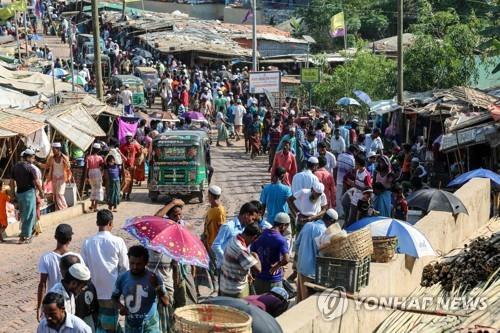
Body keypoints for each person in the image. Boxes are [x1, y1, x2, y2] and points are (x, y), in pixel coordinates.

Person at [80, 209, 129, 333]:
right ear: (110, 223)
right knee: (110, 325)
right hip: (112, 292)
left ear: (97, 223)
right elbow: (124, 268)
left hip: (93, 293)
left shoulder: (87, 242)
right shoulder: (118, 242)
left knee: (99, 324)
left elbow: (83, 269)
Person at [112, 245, 169, 333]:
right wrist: (120, 307)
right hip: (131, 327)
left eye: (138, 264)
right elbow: (114, 298)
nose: (134, 267)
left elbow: (166, 302)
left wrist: (157, 286)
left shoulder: (154, 278)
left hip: (151, 325)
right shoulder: (122, 278)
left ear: (146, 263)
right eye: (132, 263)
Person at [295, 208, 338, 302]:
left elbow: (297, 244)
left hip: (301, 267)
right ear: (331, 221)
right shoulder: (323, 232)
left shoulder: (307, 225)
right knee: (307, 301)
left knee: (300, 298)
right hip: (312, 272)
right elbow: (322, 253)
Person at [37, 224, 74, 321]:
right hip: (70, 303)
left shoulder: (46, 258)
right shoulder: (75, 258)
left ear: (55, 237)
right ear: (70, 239)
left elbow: (42, 284)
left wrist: (39, 307)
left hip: (52, 304)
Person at [250, 213, 290, 294]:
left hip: (259, 278)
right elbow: (286, 259)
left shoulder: (260, 234)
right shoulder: (281, 240)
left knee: (258, 304)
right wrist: (277, 266)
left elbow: (252, 252)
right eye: (286, 227)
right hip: (274, 280)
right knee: (274, 304)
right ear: (283, 226)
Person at [212, 202, 260, 269]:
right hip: (224, 268)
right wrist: (226, 260)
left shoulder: (245, 229)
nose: (252, 222)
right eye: (252, 219)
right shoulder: (229, 226)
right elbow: (215, 245)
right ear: (246, 215)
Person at [10, 148, 44, 244]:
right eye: (33, 158)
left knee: (25, 214)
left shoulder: (15, 167)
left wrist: (13, 194)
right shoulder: (30, 168)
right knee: (29, 215)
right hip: (28, 193)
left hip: (19, 193)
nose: (33, 160)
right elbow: (36, 182)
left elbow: (12, 182)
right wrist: (41, 192)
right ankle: (25, 236)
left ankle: (29, 232)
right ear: (28, 157)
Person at [219, 223, 262, 298]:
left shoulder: (234, 238)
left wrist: (248, 272)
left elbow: (238, 261)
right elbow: (258, 270)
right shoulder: (241, 249)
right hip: (235, 290)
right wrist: (256, 256)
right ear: (254, 237)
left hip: (225, 285)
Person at [202, 185, 226, 293]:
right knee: (209, 265)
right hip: (208, 240)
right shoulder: (212, 208)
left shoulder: (219, 211)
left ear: (210, 195)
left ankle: (217, 288)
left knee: (215, 266)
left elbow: (221, 228)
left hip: (214, 243)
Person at [46, 142, 71, 211]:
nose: (53, 151)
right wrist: (38, 163)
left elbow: (68, 168)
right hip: (54, 178)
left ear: (58, 149)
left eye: (54, 150)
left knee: (60, 194)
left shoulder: (64, 158)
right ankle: (59, 209)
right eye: (52, 150)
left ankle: (64, 208)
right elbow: (47, 166)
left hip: (62, 178)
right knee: (55, 195)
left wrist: (69, 176)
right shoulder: (51, 158)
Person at [120, 133, 143, 201]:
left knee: (130, 181)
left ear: (132, 138)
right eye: (127, 137)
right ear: (125, 138)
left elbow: (139, 153)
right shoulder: (122, 146)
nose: (128, 139)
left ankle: (128, 195)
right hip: (124, 166)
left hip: (132, 166)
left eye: (130, 137)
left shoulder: (135, 146)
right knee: (125, 180)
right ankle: (123, 194)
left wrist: (135, 162)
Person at [335, 145, 356, 216]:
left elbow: (336, 168)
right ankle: (343, 213)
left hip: (338, 179)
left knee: (338, 197)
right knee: (344, 197)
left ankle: (338, 213)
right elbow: (352, 172)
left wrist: (335, 178)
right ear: (354, 151)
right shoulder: (352, 159)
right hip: (347, 182)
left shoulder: (340, 156)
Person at [85, 143, 104, 212]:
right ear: (98, 150)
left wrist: (87, 176)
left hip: (90, 172)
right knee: (98, 189)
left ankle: (92, 204)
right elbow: (102, 165)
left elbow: (86, 168)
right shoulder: (100, 158)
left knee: (93, 188)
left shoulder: (88, 157)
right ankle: (95, 206)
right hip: (97, 172)